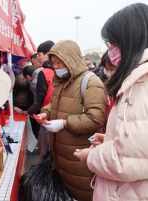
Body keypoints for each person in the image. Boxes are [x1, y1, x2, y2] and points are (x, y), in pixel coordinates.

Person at [74, 3, 148, 201]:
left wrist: (90, 156)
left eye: (113, 44)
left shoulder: (142, 85)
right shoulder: (135, 81)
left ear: (131, 40)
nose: (111, 52)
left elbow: (125, 160)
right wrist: (110, 139)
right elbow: (136, 147)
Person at [37, 40, 106, 201]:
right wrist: (45, 113)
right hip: (61, 157)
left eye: (59, 62)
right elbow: (53, 104)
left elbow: (95, 118)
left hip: (80, 158)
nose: (56, 67)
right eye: (53, 63)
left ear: (71, 59)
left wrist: (64, 123)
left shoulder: (91, 82)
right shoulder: (61, 82)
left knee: (83, 193)